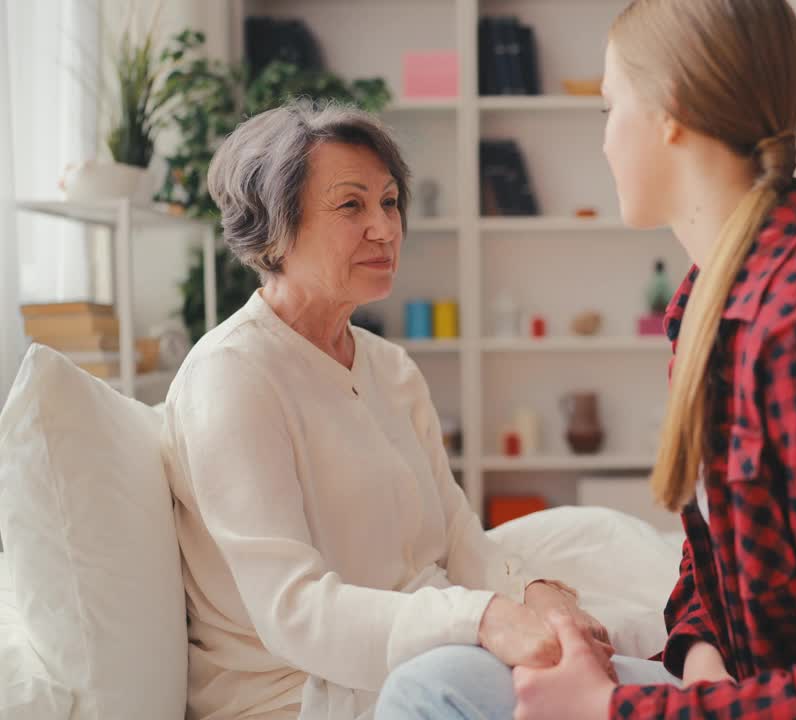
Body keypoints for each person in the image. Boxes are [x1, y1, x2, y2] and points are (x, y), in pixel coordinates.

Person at [380, 0, 796, 718]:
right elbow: (719, 565)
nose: (605, 142)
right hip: (760, 694)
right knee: (437, 681)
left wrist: (613, 711)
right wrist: (701, 666)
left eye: (611, 109)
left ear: (670, 111)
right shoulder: (713, 307)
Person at [166, 101, 610, 720]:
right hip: (303, 694)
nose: (385, 227)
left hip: (428, 656)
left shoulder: (390, 367)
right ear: (275, 229)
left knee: (628, 652)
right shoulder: (232, 376)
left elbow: (456, 535)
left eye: (391, 201)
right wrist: (482, 617)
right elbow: (293, 611)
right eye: (351, 205)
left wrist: (533, 594)